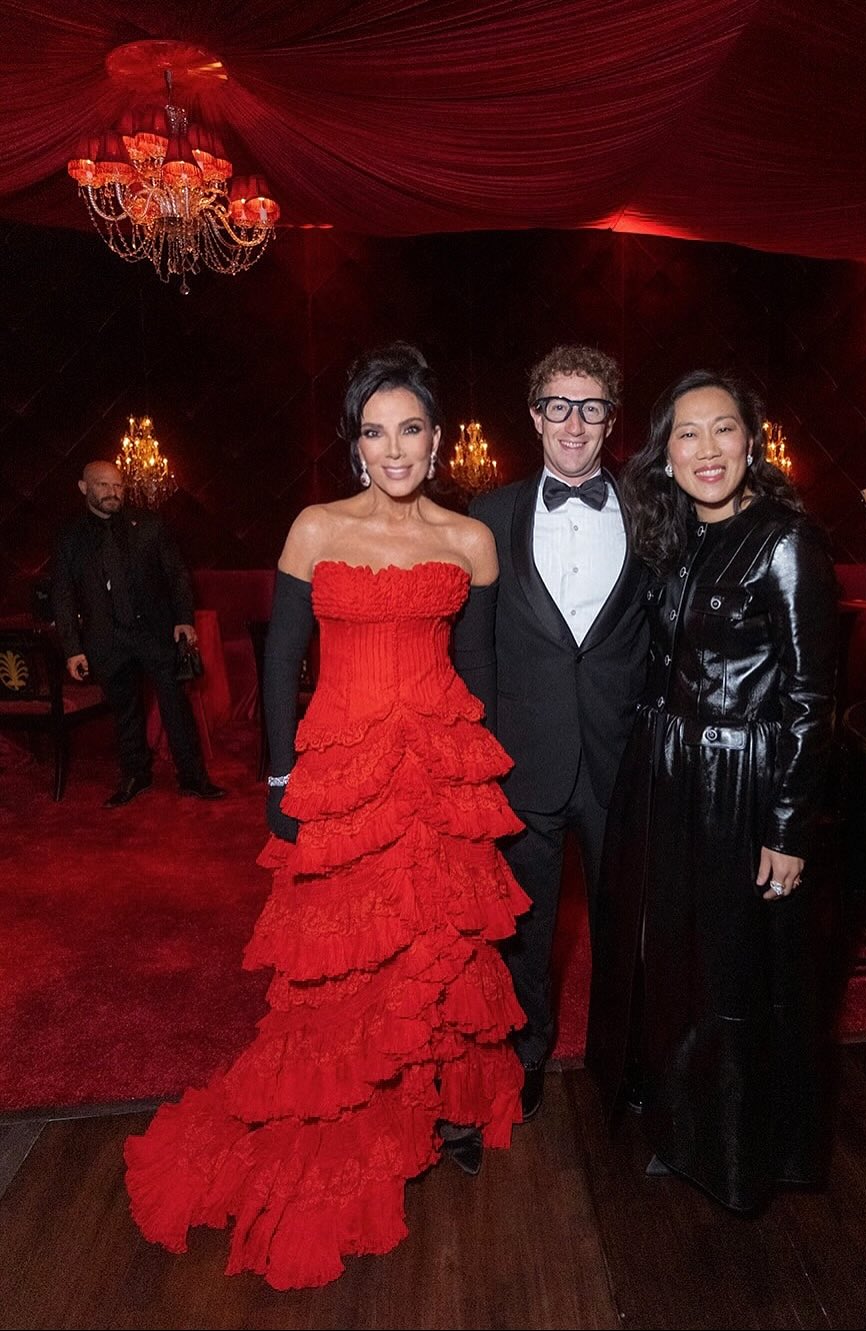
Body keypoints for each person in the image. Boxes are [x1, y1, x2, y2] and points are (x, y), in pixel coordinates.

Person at [123, 343, 530, 1289]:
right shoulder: (314, 528)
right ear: (356, 445)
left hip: (435, 763)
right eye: (376, 432)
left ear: (437, 441)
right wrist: (277, 785)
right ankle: (353, 1111)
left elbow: (481, 672)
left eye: (412, 429)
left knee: (440, 943)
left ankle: (444, 1104)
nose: (396, 449)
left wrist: (482, 784)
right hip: (342, 766)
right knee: (345, 960)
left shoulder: (470, 541)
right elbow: (279, 663)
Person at [585, 369, 838, 1215]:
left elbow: (810, 698)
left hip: (746, 779)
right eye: (687, 434)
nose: (706, 449)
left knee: (736, 973)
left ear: (751, 440)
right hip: (671, 775)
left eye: (722, 429)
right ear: (666, 453)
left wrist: (790, 829)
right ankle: (682, 1129)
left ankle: (738, 1157)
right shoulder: (675, 538)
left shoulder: (788, 540)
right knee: (679, 962)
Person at [469, 344, 649, 1122]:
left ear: (613, 418)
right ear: (535, 414)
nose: (574, 423)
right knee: (526, 928)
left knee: (626, 928)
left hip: (624, 760)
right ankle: (527, 1050)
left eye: (592, 406)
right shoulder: (489, 514)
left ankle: (624, 1060)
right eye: (559, 405)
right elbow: (470, 649)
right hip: (523, 761)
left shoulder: (653, 511)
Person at [50, 460, 224, 806]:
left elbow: (176, 574)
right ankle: (135, 776)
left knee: (176, 708)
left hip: (155, 632)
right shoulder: (70, 537)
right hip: (107, 638)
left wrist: (184, 619)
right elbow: (62, 593)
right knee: (125, 712)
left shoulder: (148, 525)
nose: (113, 493)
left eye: (118, 486)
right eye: (103, 486)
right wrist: (72, 648)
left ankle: (193, 777)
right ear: (84, 488)